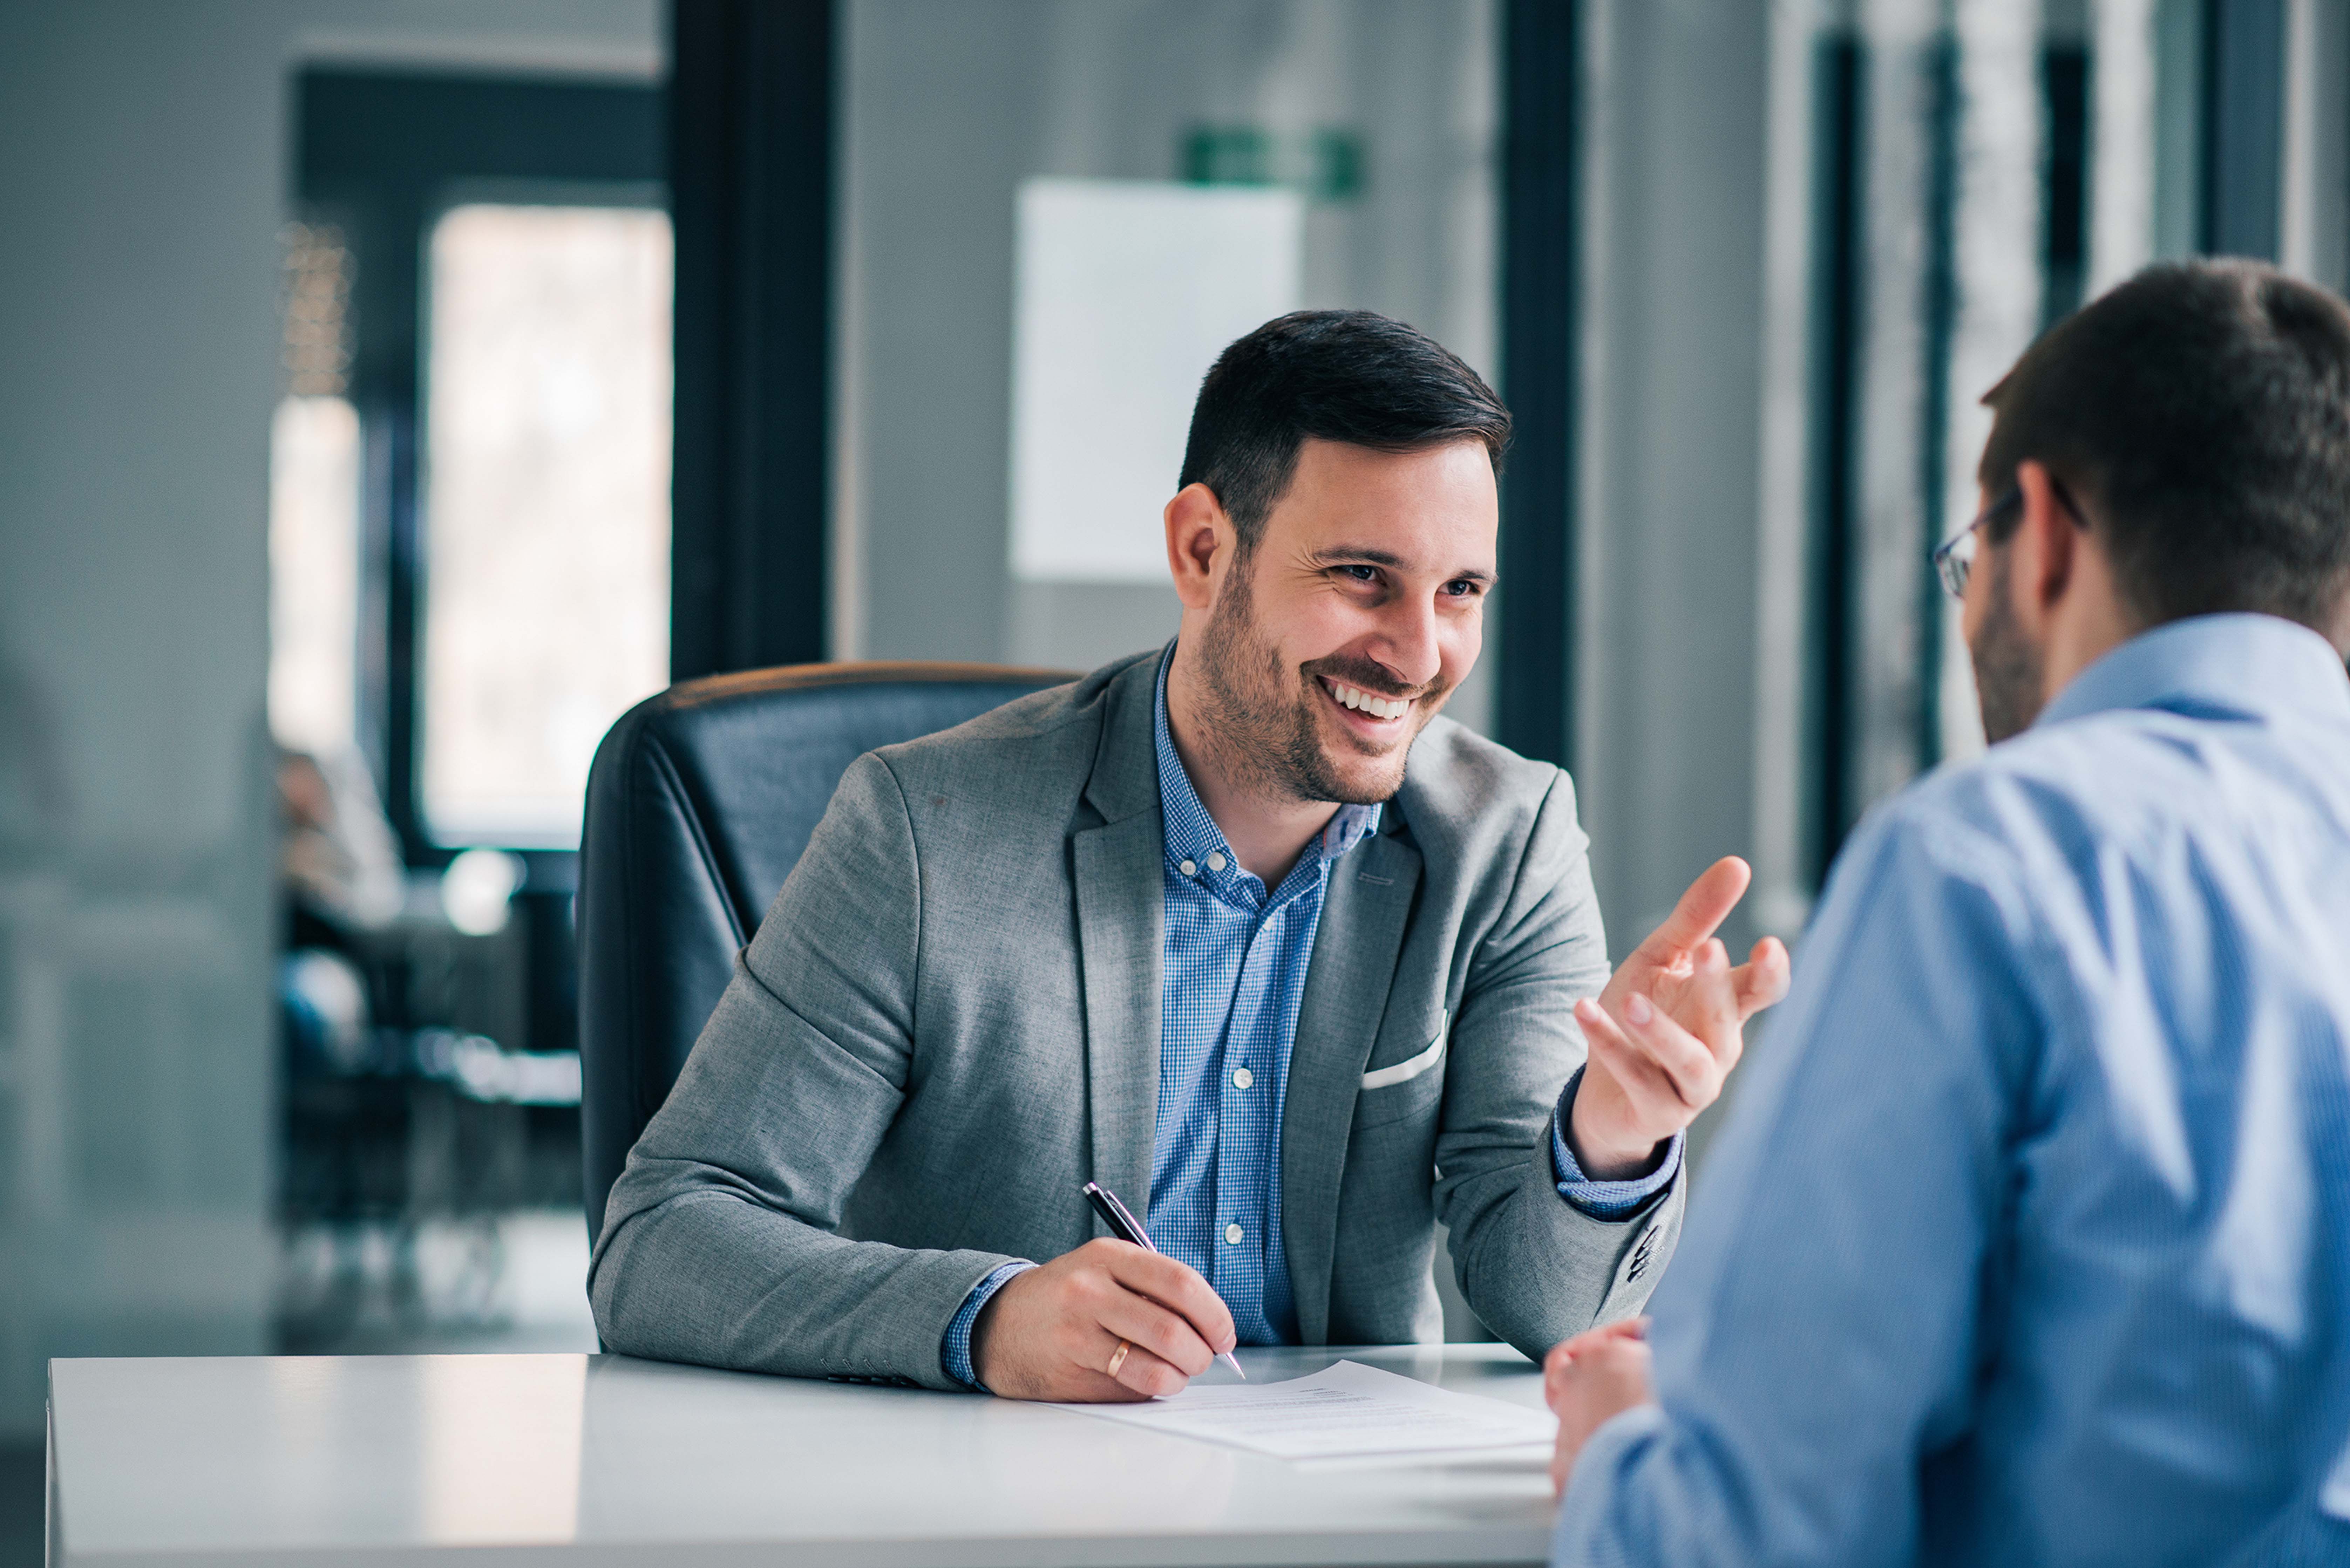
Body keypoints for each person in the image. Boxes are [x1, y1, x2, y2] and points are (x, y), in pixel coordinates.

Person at [591, 310, 1789, 1399]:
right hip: (998, 1516)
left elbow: (1547, 1306)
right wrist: (989, 1317)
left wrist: (1613, 1134)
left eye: (1460, 589)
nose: (1419, 652)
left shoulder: (1504, 843)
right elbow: (663, 1239)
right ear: (1205, 552)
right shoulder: (922, 829)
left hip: (1338, 1525)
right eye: (1363, 576)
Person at [1546, 259, 2350, 1563]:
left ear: (2041, 533)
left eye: (1966, 554)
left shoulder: (1991, 864)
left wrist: (1626, 1446)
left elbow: (1754, 1537)